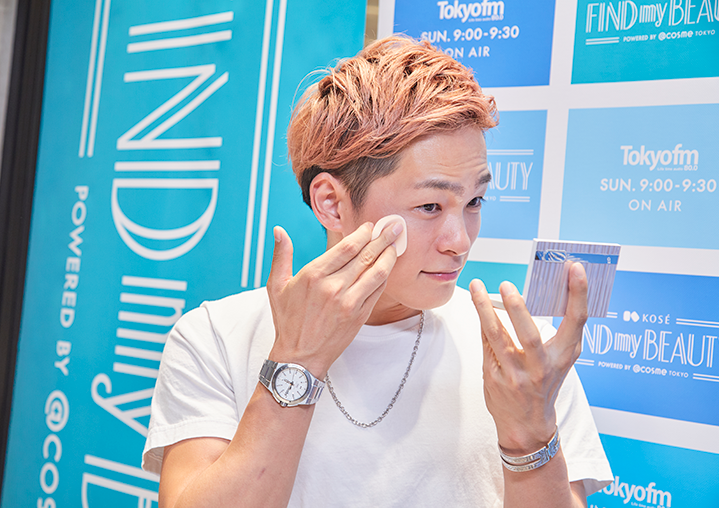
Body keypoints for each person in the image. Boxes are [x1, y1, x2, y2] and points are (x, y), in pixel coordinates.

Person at [142, 35, 612, 507]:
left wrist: (530, 438)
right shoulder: (216, 336)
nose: (460, 241)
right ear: (332, 202)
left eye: (474, 201)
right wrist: (297, 363)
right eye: (429, 206)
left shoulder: (521, 357)